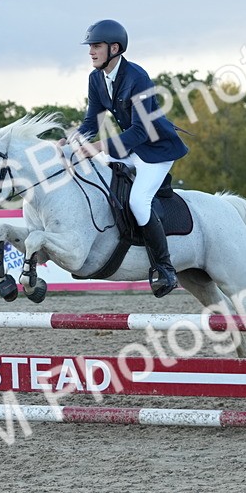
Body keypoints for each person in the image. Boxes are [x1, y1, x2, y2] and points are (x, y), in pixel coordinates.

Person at [74, 19, 188, 297]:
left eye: (96, 46)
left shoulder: (137, 78)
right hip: (131, 149)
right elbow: (92, 122)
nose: (91, 51)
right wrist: (71, 142)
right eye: (90, 46)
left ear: (115, 48)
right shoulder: (96, 79)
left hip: (157, 151)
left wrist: (100, 146)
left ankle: (164, 268)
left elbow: (140, 130)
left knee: (138, 200)